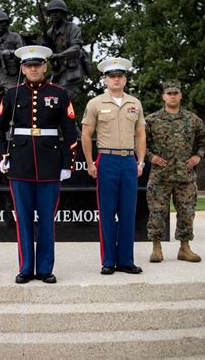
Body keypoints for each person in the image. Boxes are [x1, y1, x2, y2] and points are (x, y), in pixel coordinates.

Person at [0, 45, 78, 284]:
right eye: (29, 65)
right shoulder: (11, 94)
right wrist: (2, 156)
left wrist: (67, 163)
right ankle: (26, 267)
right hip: (19, 164)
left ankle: (45, 269)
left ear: (45, 66)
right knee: (24, 219)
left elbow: (70, 130)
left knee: (47, 221)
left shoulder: (60, 94)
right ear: (22, 68)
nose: (33, 69)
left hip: (50, 164)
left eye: (37, 65)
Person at [81, 57, 146, 275]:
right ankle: (108, 260)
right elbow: (86, 134)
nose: (116, 79)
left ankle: (126, 260)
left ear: (125, 79)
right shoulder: (95, 103)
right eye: (112, 76)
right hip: (106, 159)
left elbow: (140, 133)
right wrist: (90, 163)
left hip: (128, 160)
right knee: (107, 212)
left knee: (128, 211)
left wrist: (141, 160)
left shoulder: (135, 103)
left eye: (120, 76)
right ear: (105, 80)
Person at [145, 80, 205, 263]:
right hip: (160, 176)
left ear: (180, 96)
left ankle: (184, 248)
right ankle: (156, 248)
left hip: (185, 176)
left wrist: (198, 156)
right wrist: (151, 157)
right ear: (163, 96)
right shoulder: (151, 120)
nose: (172, 96)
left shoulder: (193, 119)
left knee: (186, 212)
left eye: (175, 93)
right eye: (169, 93)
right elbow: (140, 143)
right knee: (157, 212)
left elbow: (204, 140)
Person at [44, 0, 87, 102]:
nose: (54, 14)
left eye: (57, 11)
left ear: (63, 13)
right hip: (58, 72)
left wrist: (58, 55)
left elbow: (76, 48)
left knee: (66, 98)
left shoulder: (73, 28)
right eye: (52, 12)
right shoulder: (49, 33)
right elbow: (46, 51)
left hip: (73, 71)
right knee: (52, 100)